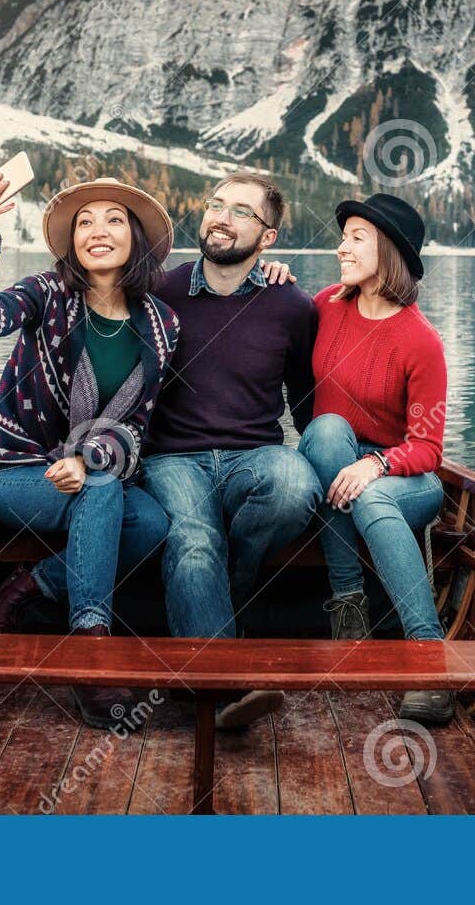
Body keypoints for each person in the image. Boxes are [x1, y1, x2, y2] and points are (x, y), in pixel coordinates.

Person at [0, 171, 179, 729]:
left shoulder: (161, 323)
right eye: (84, 221)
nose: (96, 230)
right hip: (11, 471)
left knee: (152, 523)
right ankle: (89, 657)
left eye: (113, 220)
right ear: (72, 241)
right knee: (104, 491)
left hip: (87, 475)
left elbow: (136, 425)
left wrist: (87, 459)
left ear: (135, 238)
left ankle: (27, 588)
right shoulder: (48, 294)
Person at [143, 172, 321, 730]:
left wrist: (366, 460)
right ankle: (222, 695)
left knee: (297, 484)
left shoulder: (291, 304)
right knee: (193, 541)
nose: (221, 217)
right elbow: (93, 350)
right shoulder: (161, 291)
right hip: (173, 457)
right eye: (216, 204)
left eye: (241, 211)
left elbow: (307, 402)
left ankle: (220, 601)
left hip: (254, 455)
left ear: (268, 238)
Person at [297, 193, 452, 724]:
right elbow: (274, 321)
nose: (342, 247)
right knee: (326, 430)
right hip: (334, 457)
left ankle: (429, 661)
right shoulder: (324, 307)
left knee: (372, 495)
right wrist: (268, 275)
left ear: (388, 252)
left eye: (356, 238)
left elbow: (429, 448)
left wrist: (377, 464)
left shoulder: (421, 341)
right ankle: (350, 611)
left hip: (408, 479)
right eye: (344, 237)